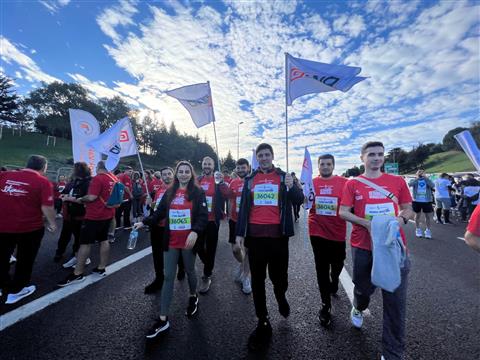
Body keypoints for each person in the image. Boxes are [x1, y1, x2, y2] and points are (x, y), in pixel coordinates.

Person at [339, 141, 414, 360]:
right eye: (371, 154)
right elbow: (343, 212)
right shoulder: (353, 184)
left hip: (393, 247)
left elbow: (408, 209)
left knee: (395, 305)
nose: (377, 158)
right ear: (362, 158)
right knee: (363, 290)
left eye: (380, 154)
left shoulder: (397, 181)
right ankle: (358, 306)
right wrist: (366, 223)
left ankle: (392, 354)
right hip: (364, 246)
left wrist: (399, 220)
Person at [235, 143, 304, 351]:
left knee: (279, 278)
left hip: (278, 238)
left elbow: (299, 200)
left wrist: (293, 186)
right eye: (261, 155)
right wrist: (239, 233)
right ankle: (263, 320)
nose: (264, 158)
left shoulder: (284, 177)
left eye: (267, 155)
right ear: (257, 158)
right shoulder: (250, 180)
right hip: (255, 239)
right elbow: (244, 208)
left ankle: (281, 296)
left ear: (273, 156)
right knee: (257, 279)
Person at [133, 161, 208, 338]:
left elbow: (203, 216)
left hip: (188, 241)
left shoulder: (198, 192)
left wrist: (195, 232)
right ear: (176, 174)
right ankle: (162, 319)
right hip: (171, 241)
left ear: (191, 174)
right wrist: (143, 222)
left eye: (186, 171)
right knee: (168, 276)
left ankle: (192, 296)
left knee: (190, 271)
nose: (183, 174)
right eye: (180, 171)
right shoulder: (170, 192)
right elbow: (158, 213)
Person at [0, 155, 57, 303]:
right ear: (43, 168)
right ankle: (16, 291)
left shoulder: (5, 175)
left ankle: (2, 286)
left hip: (3, 226)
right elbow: (47, 206)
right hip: (30, 229)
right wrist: (52, 223)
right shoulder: (43, 182)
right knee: (25, 259)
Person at [58, 161, 118, 286]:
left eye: (96, 167)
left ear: (99, 167)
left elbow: (91, 197)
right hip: (108, 214)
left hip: (94, 215)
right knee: (104, 240)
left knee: (85, 243)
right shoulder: (114, 178)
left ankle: (77, 273)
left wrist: (80, 199)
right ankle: (101, 267)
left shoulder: (98, 179)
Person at [308, 154, 348, 327]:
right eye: (322, 164)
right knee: (321, 268)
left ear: (333, 166)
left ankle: (334, 280)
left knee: (338, 263)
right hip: (316, 231)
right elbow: (304, 202)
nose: (325, 166)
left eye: (328, 164)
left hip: (337, 232)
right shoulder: (312, 183)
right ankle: (325, 305)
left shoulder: (344, 182)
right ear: (318, 166)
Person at [196, 156, 226, 294]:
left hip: (213, 220)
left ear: (213, 166)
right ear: (202, 165)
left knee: (211, 248)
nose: (207, 166)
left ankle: (207, 274)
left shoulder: (217, 180)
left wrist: (222, 183)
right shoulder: (198, 180)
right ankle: (208, 264)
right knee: (198, 246)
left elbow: (227, 194)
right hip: (199, 220)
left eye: (209, 164)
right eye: (205, 163)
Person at [54, 162, 92, 268]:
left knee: (78, 238)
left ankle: (76, 256)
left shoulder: (88, 183)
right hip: (68, 214)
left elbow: (87, 199)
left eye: (75, 169)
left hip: (80, 216)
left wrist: (68, 198)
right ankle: (59, 252)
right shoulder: (73, 181)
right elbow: (65, 192)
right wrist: (63, 196)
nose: (72, 171)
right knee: (64, 235)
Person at [144, 166, 174, 294]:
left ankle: (180, 269)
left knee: (172, 255)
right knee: (157, 254)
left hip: (170, 228)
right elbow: (155, 208)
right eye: (164, 174)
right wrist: (150, 203)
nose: (167, 176)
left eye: (169, 174)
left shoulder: (177, 189)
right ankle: (159, 279)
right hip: (156, 227)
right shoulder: (158, 189)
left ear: (173, 175)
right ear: (161, 177)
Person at [224, 158, 251, 294]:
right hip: (234, 220)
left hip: (249, 221)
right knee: (236, 249)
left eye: (243, 167)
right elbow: (230, 200)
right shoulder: (233, 182)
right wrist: (229, 215)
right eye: (238, 168)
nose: (241, 170)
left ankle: (246, 277)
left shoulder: (252, 181)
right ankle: (242, 266)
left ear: (248, 167)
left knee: (247, 250)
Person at [408, 169, 435, 238]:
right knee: (417, 215)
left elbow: (432, 185)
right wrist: (417, 178)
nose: (421, 174)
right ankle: (418, 229)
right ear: (416, 174)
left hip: (427, 201)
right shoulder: (414, 180)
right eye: (419, 173)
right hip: (416, 201)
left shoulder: (427, 180)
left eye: (422, 173)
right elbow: (410, 184)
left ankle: (428, 230)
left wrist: (425, 178)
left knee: (428, 216)